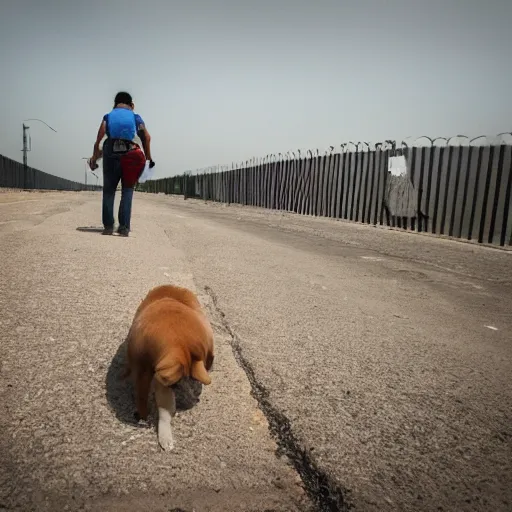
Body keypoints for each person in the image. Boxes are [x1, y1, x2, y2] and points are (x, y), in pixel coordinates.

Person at [89, 91, 154, 236]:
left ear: (115, 105)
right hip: (130, 153)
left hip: (110, 150)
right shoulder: (135, 117)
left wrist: (94, 158)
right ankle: (124, 227)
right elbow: (147, 137)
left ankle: (108, 226)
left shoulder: (108, 116)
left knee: (109, 190)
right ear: (132, 105)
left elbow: (99, 139)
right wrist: (148, 159)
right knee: (128, 189)